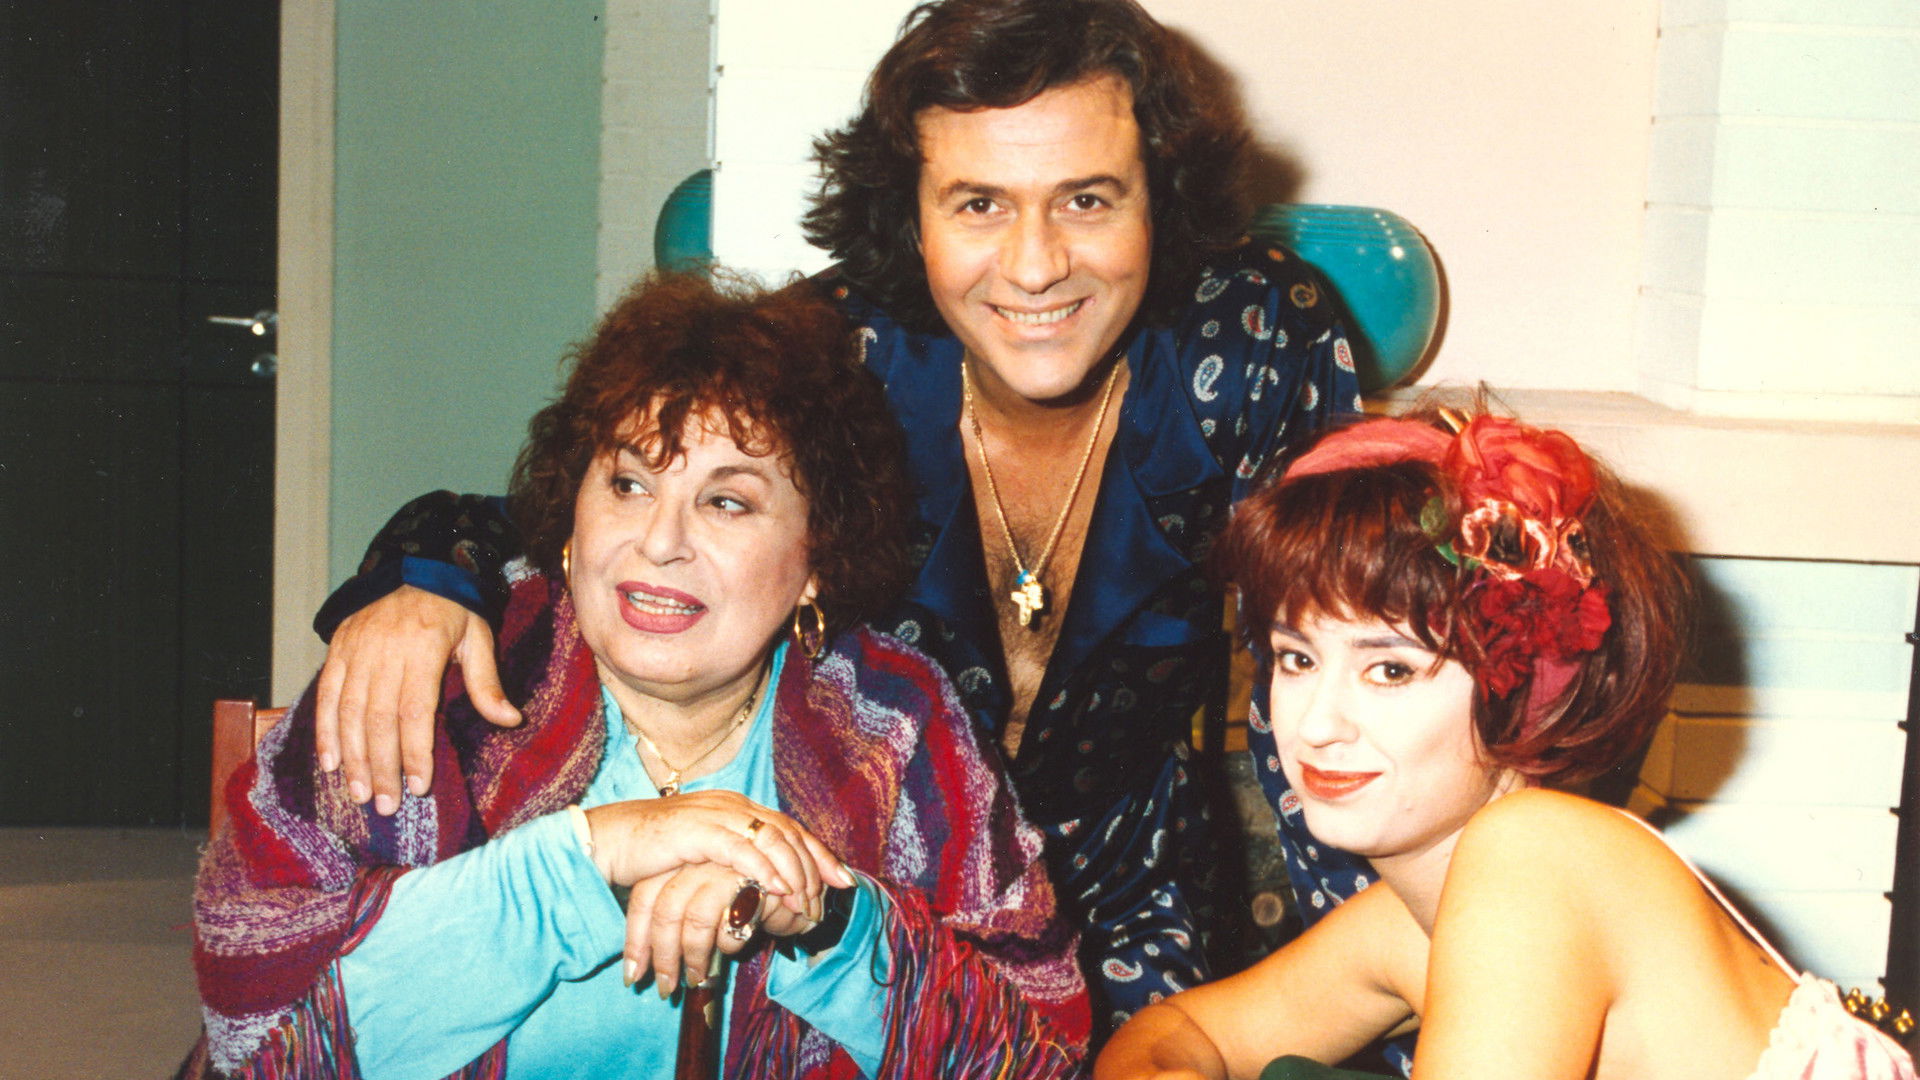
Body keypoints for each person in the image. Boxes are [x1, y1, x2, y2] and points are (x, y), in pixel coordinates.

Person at [306, 0, 1362, 1029]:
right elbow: (611, 521)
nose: (1037, 264)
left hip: (1138, 900)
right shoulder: (839, 356)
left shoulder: (1256, 342)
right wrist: (422, 582)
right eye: (979, 204)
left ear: (1159, 200)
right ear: (911, 216)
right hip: (868, 902)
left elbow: (1342, 676)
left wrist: (1388, 983)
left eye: (1086, 200)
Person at [184, 274, 1088, 1079]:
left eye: (727, 501)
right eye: (627, 484)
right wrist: (584, 862)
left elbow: (1039, 1051)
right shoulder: (436, 681)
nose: (660, 542)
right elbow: (257, 1031)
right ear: (572, 510)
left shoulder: (893, 720)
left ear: (817, 557)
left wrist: (832, 923)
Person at [1092, 408, 1920, 1080]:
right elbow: (1176, 1032)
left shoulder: (1533, 859)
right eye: (1296, 658)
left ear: (1519, 690)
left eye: (1390, 670)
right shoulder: (1415, 916)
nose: (1314, 724)